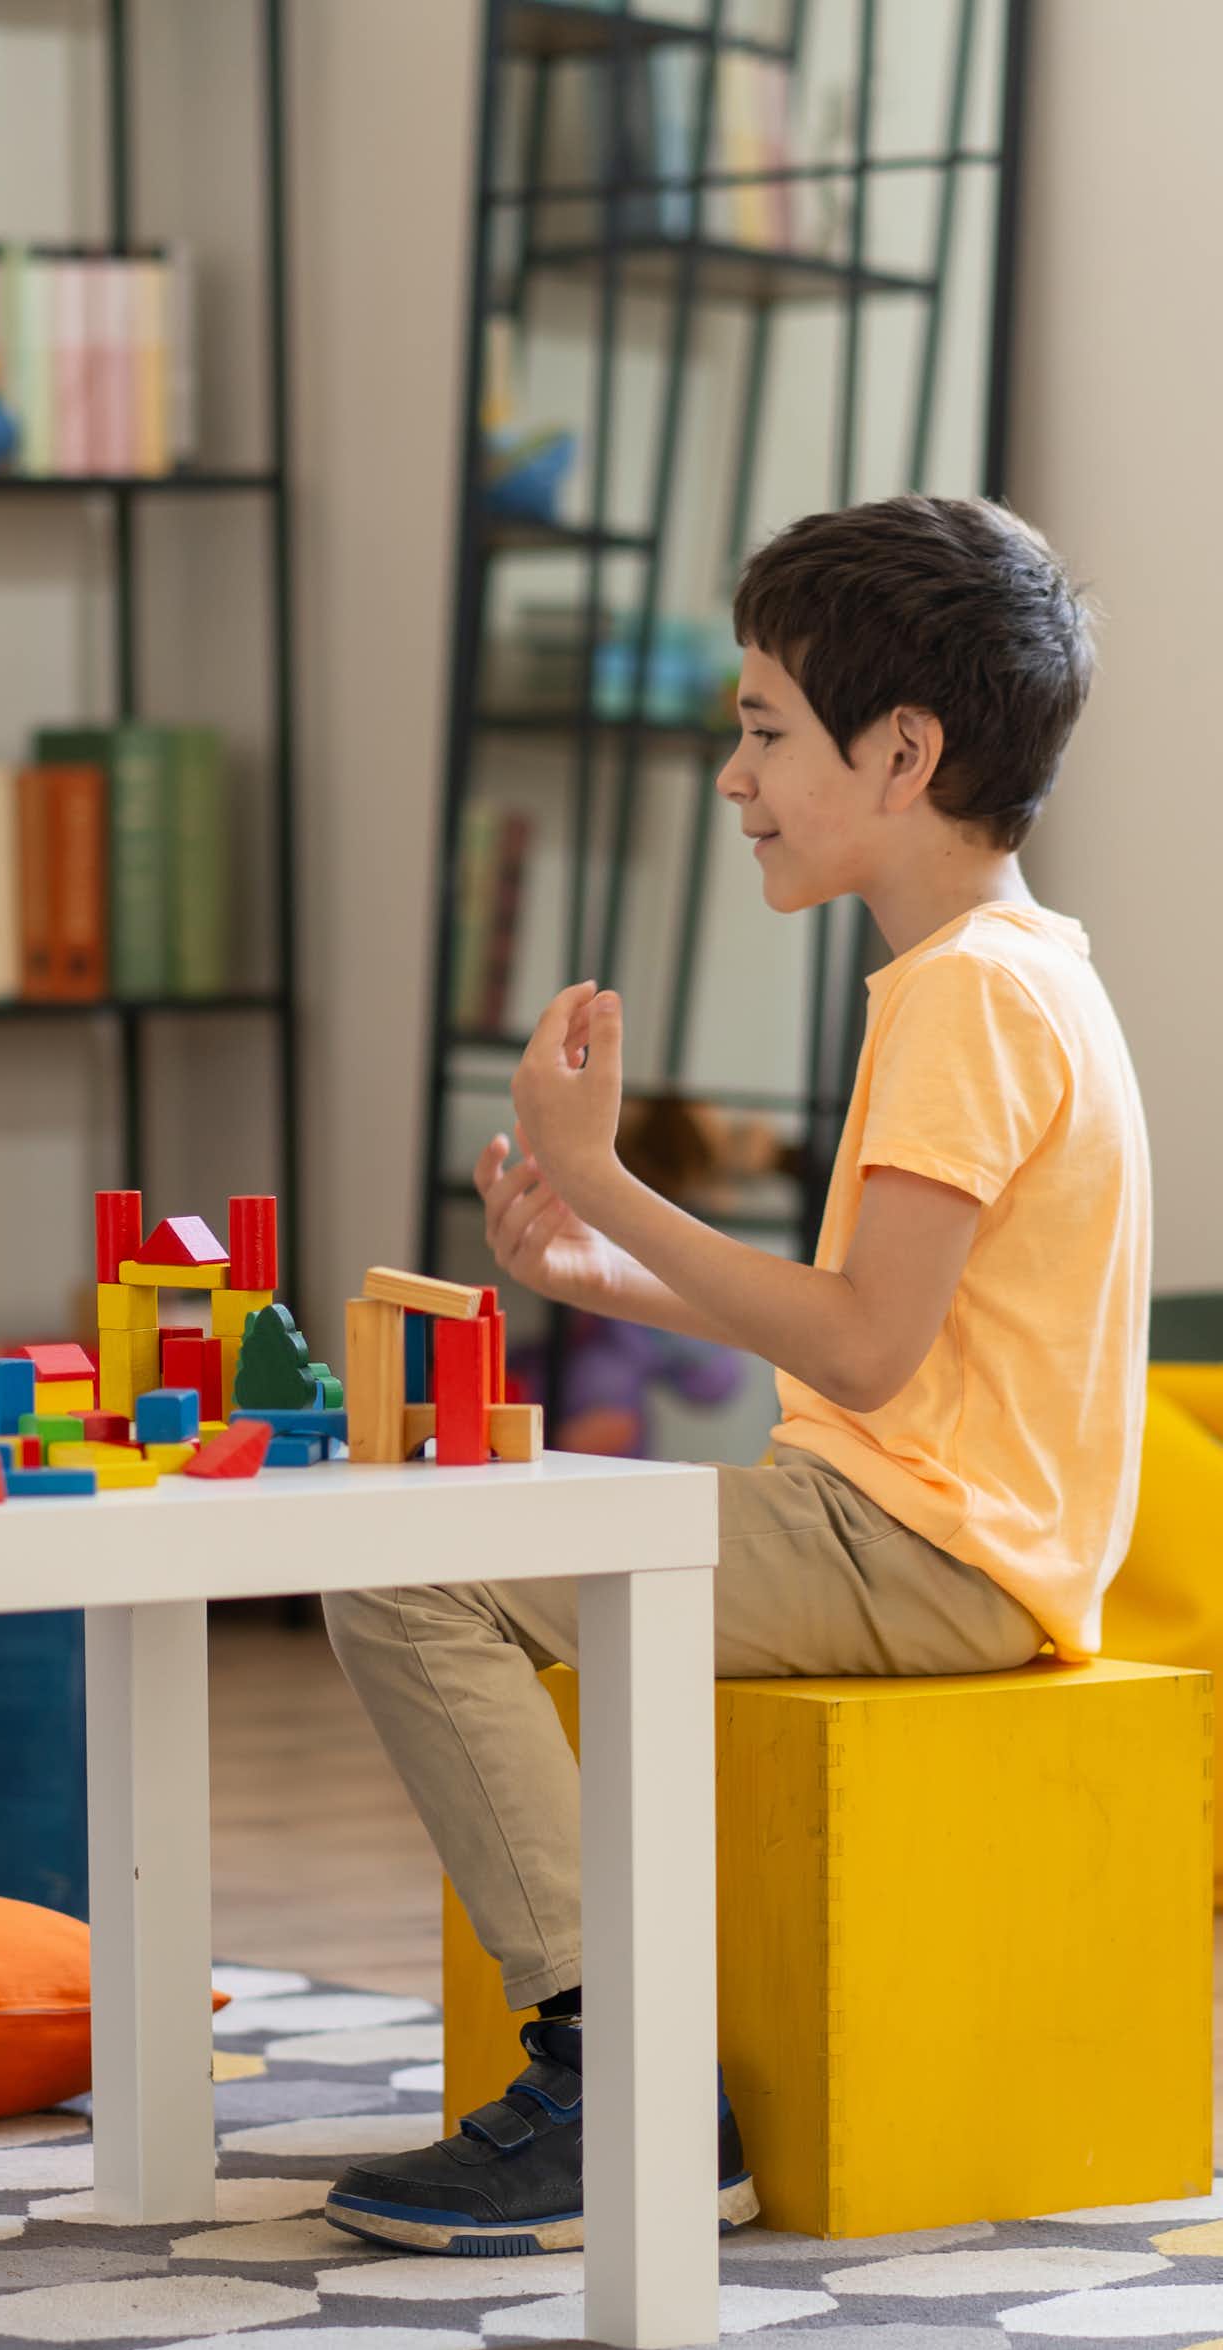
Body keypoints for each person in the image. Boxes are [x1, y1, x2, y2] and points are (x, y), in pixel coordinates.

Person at [323, 494, 1140, 2254]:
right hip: (931, 1529)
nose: (732, 773)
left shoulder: (964, 997)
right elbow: (876, 1329)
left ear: (902, 748)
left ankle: (619, 2079)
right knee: (454, 1534)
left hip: (925, 1552)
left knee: (408, 1560)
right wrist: (600, 1266)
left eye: (764, 728)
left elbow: (860, 1342)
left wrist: (610, 1175)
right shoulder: (1017, 974)